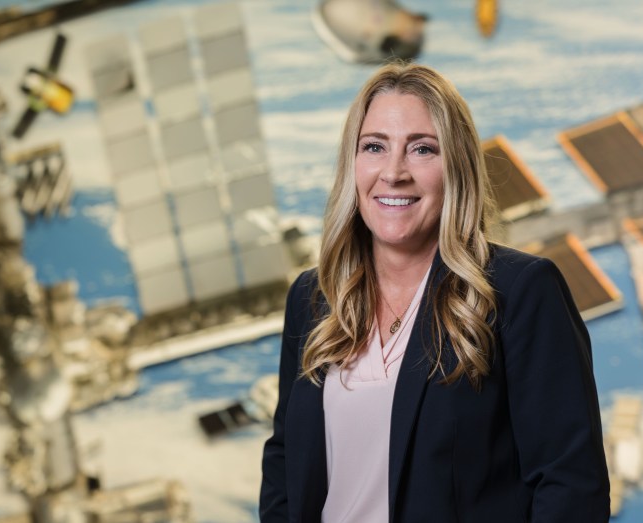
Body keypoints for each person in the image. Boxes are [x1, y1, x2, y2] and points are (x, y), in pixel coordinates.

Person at [259, 62, 609, 522]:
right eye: (374, 147)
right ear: (352, 164)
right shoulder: (314, 297)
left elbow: (570, 487)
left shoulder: (520, 291)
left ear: (457, 168)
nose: (393, 172)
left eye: (422, 149)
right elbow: (285, 461)